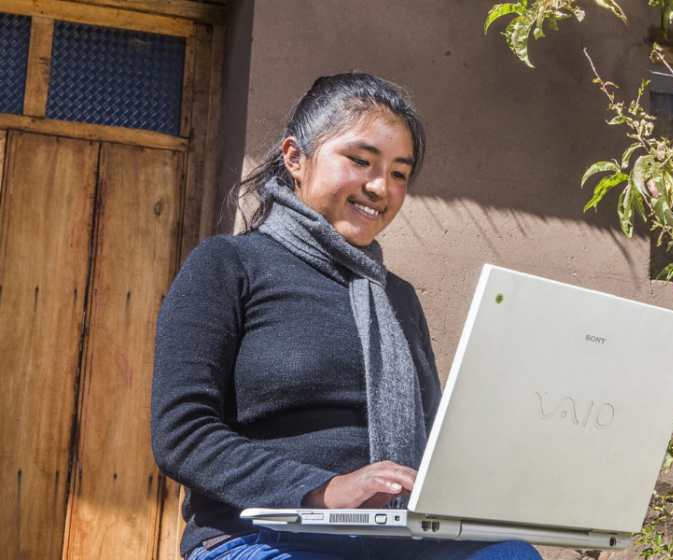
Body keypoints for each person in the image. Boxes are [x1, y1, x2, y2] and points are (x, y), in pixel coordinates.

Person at [151, 73, 543, 560]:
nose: (380, 187)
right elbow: (181, 435)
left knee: (510, 555)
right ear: (296, 157)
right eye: (360, 161)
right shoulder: (227, 266)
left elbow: (434, 442)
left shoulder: (397, 298)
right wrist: (324, 491)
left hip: (395, 538)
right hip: (262, 535)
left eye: (400, 173)